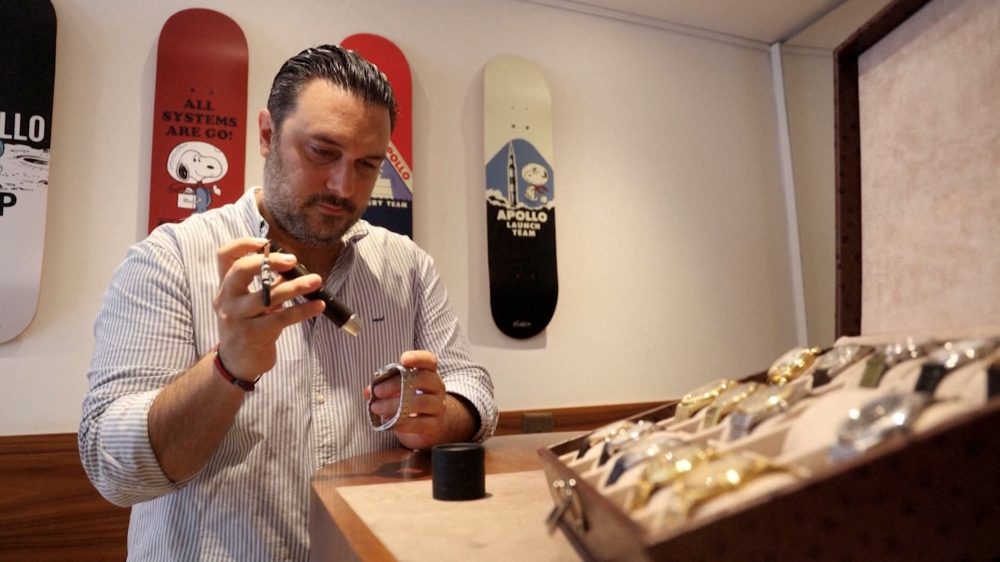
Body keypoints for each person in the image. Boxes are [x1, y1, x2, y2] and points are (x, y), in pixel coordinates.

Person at [79, 45, 497, 561]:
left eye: (367, 165)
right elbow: (112, 470)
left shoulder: (407, 266)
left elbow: (474, 388)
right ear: (266, 134)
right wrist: (227, 369)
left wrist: (442, 414)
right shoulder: (167, 261)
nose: (344, 186)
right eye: (322, 152)